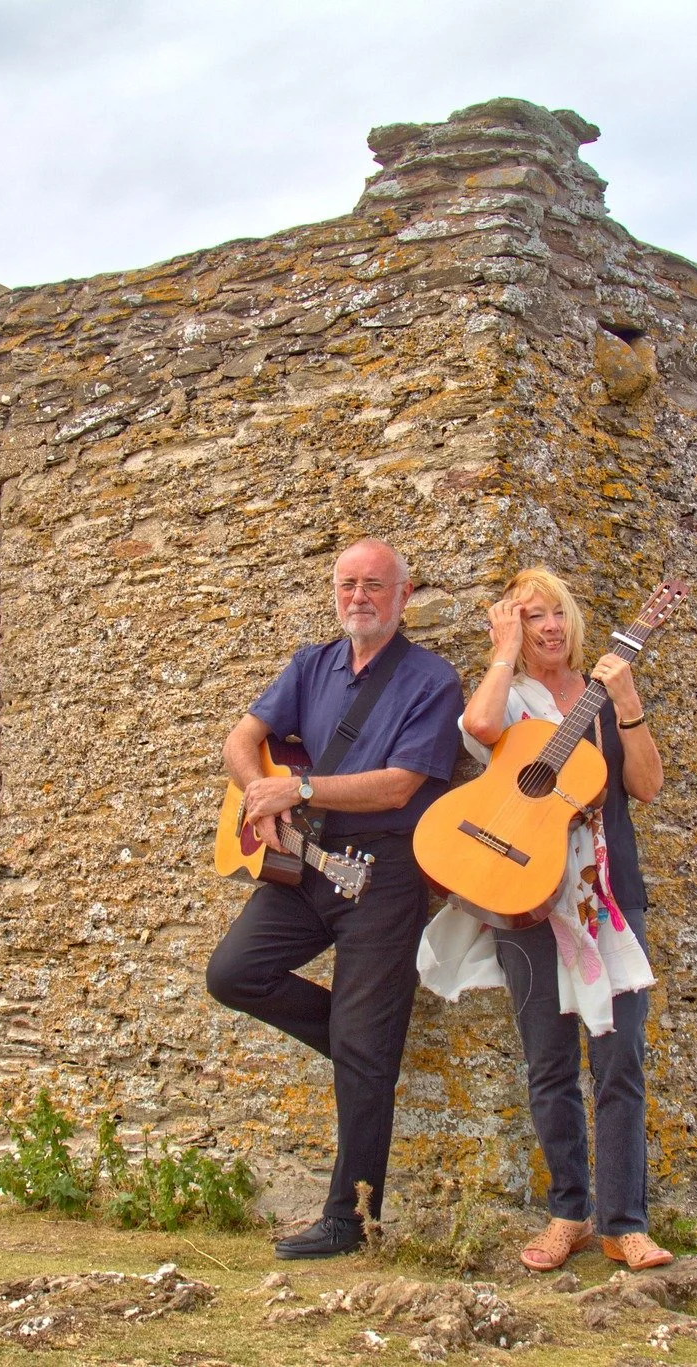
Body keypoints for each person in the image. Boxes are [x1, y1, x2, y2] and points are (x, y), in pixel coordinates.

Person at [206, 538, 464, 1260]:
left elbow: (402, 784)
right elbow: (241, 738)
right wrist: (257, 790)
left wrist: (304, 787)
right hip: (304, 867)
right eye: (348, 584)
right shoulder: (310, 663)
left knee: (361, 1045)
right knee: (233, 973)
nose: (359, 597)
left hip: (385, 873)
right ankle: (366, 1047)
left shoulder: (432, 681)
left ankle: (348, 1220)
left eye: (375, 585)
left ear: (403, 595)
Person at [417, 566, 672, 1272]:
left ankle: (626, 1222)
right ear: (517, 628)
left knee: (621, 1063)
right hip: (524, 897)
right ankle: (569, 1214)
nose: (550, 627)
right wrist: (501, 653)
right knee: (549, 1065)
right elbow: (478, 726)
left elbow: (646, 786)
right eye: (532, 617)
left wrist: (628, 701)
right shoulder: (515, 699)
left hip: (609, 898)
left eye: (557, 612)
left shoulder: (604, 693)